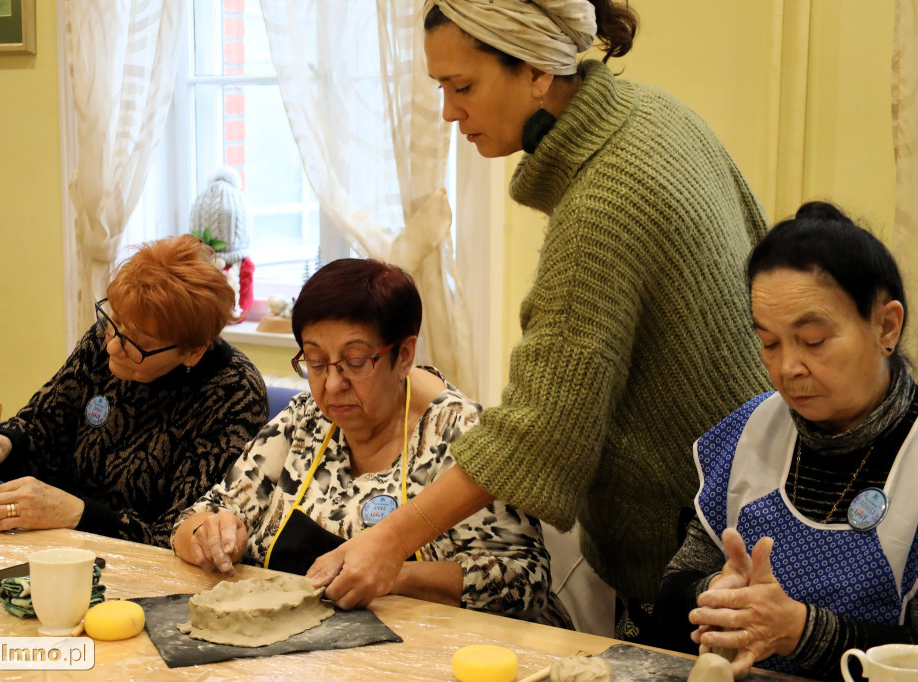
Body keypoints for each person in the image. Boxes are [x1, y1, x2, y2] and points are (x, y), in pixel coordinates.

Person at [304, 0, 771, 644]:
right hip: (757, 505)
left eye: (462, 86)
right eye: (440, 88)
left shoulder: (604, 198)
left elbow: (539, 433)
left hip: (705, 559)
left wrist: (388, 542)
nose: (449, 112)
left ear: (537, 73)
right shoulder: (658, 119)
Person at [172, 258, 571, 625]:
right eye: (315, 362)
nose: (331, 384)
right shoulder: (303, 420)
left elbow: (526, 582)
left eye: (356, 362)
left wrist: (396, 574)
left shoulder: (460, 434)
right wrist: (206, 535)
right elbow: (202, 514)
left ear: (404, 355)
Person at [656, 202, 918, 678]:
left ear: (886, 326)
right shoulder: (749, 433)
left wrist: (801, 631)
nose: (788, 368)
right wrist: (717, 595)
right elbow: (672, 592)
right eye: (770, 343)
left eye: (813, 340)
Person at [0, 236, 268, 548]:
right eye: (115, 322)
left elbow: (183, 535)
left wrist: (78, 514)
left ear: (194, 351)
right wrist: (6, 444)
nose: (111, 345)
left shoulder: (235, 395)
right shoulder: (104, 339)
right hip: (62, 550)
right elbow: (46, 426)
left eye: (137, 343)